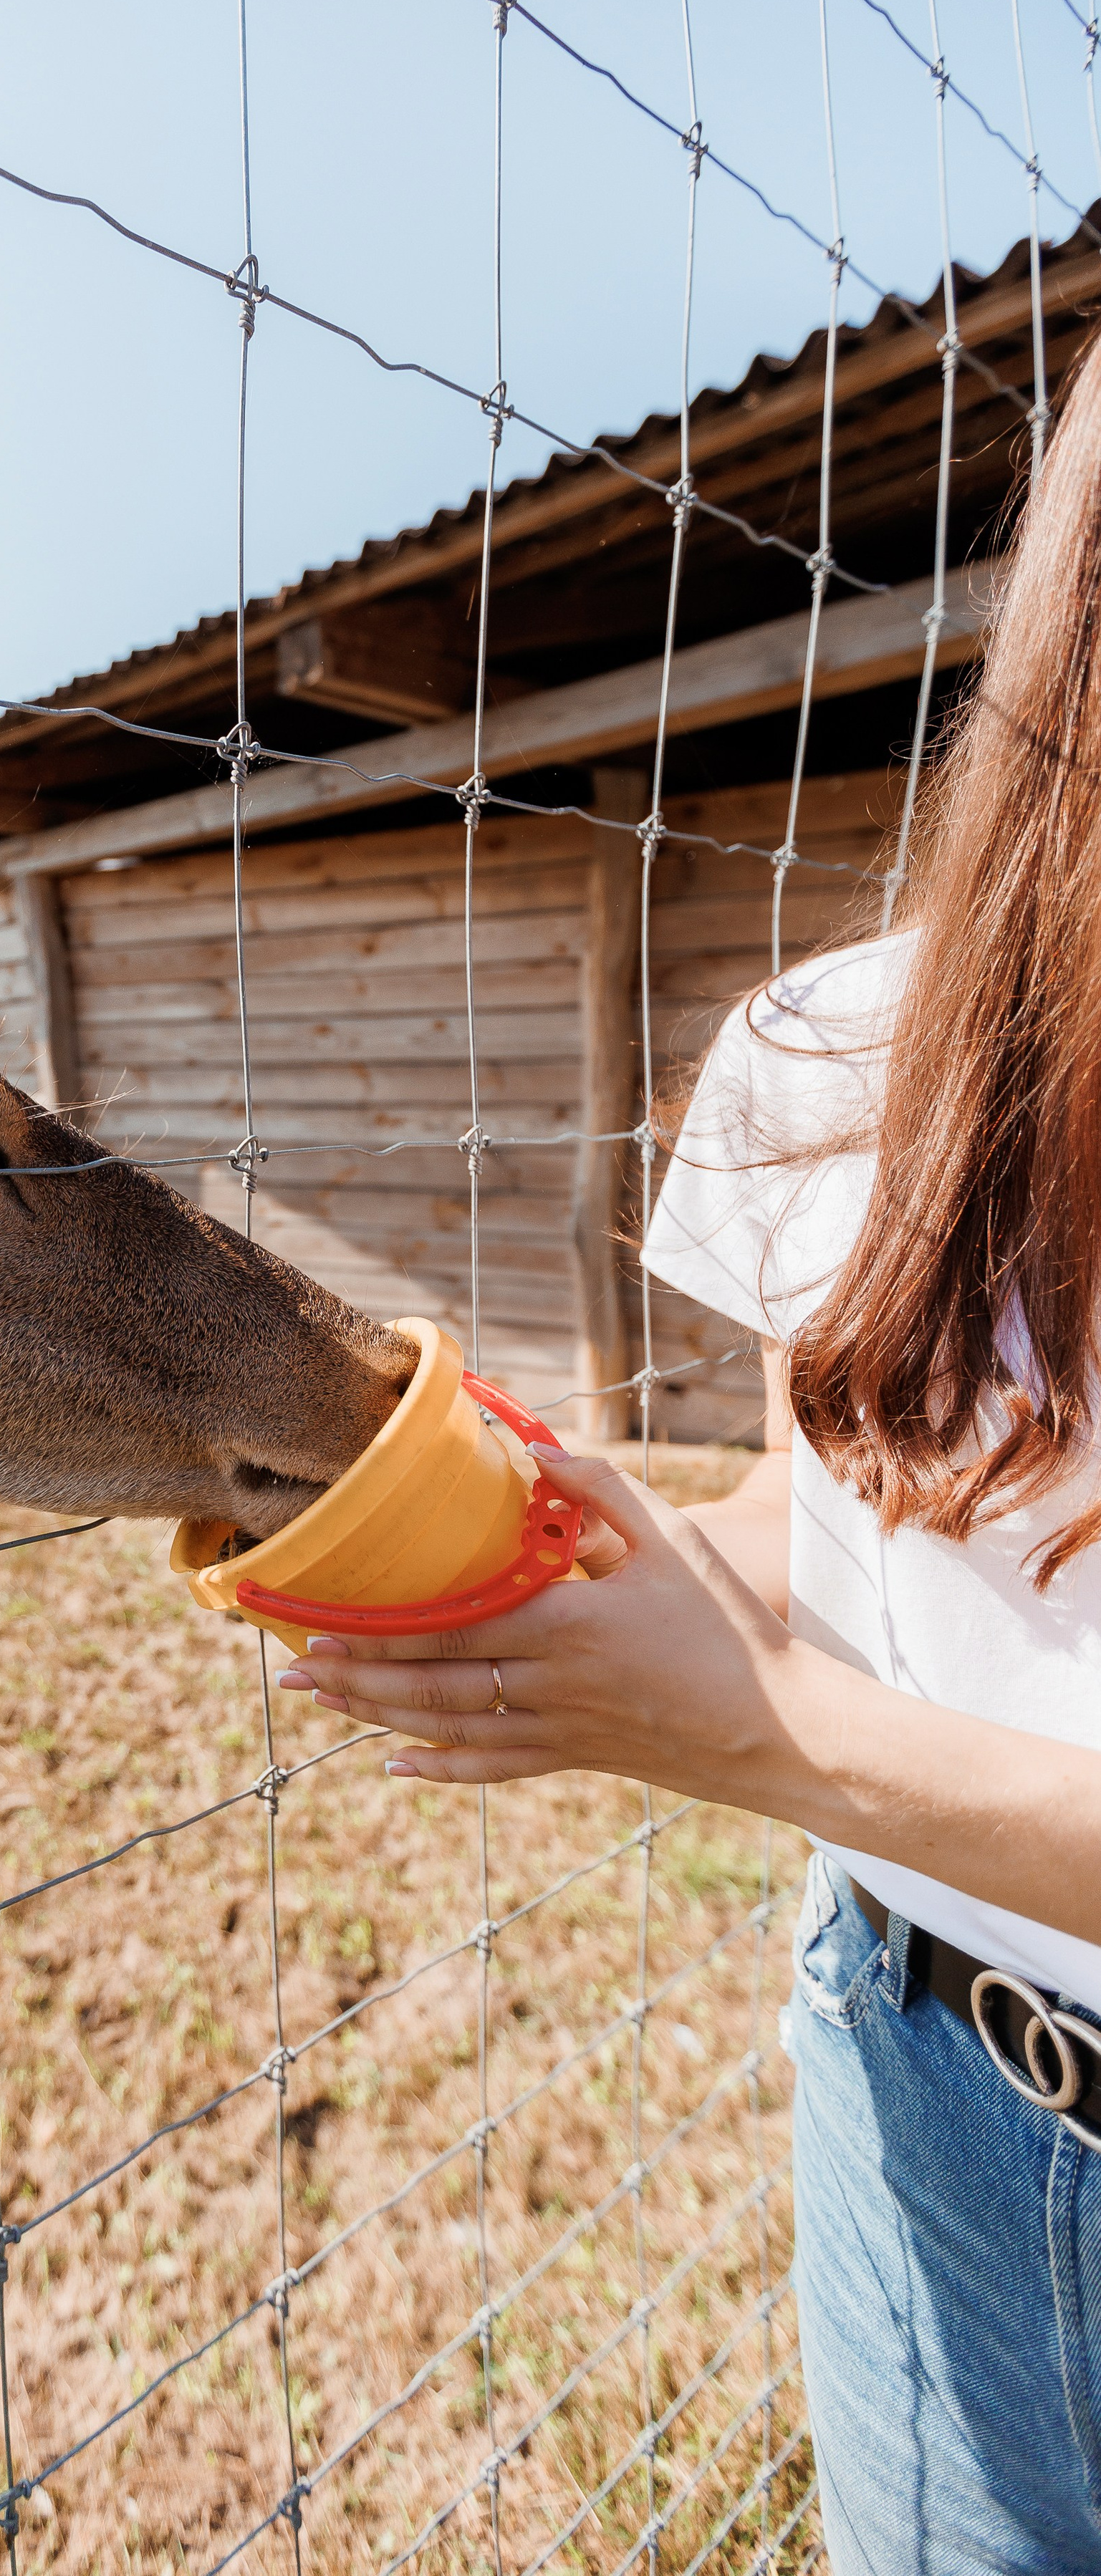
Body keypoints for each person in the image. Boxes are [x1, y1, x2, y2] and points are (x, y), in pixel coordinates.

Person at [274, 344, 1101, 2572]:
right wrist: (560, 1566)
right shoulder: (833, 1062)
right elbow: (822, 1525)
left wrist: (749, 1740)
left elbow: (798, 1703)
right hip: (923, 2082)